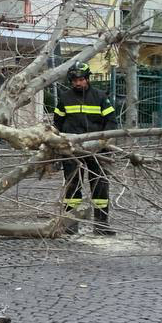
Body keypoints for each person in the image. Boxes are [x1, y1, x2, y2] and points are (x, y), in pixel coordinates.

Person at [52, 62, 116, 235]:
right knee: (72, 186)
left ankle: (101, 225)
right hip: (72, 151)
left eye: (81, 79)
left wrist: (102, 142)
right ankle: (70, 225)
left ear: (87, 78)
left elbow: (111, 121)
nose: (78, 83)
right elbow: (56, 125)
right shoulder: (65, 99)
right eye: (74, 80)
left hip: (97, 150)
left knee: (100, 186)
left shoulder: (101, 97)